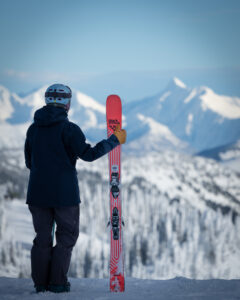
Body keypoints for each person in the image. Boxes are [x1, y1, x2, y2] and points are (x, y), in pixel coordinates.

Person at [24, 84, 126, 293]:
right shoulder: (69, 129)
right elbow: (88, 154)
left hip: (37, 193)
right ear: (67, 103)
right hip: (65, 195)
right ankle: (58, 283)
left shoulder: (33, 129)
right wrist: (114, 141)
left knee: (42, 238)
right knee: (66, 238)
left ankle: (40, 284)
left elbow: (29, 162)